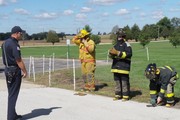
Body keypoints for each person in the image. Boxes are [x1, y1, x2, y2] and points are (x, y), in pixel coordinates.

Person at [1, 26, 27, 120]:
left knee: (11, 93)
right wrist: (24, 71)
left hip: (7, 70)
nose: (21, 35)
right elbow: (18, 60)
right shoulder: (14, 44)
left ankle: (13, 114)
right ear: (16, 33)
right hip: (14, 71)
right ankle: (11, 117)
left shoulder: (4, 43)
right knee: (13, 94)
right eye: (20, 33)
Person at [108, 28, 132, 101]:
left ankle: (125, 96)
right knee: (117, 82)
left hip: (124, 67)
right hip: (116, 67)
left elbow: (129, 54)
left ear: (124, 36)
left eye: (120, 36)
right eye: (118, 36)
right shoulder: (116, 45)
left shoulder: (127, 45)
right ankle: (117, 95)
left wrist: (118, 53)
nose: (119, 37)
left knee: (124, 82)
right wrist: (110, 54)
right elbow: (112, 56)